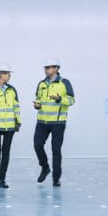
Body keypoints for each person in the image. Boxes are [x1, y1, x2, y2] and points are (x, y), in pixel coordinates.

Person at [33, 58, 75, 187]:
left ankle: (56, 178)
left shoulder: (64, 83)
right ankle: (45, 167)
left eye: (49, 67)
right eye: (45, 67)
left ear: (56, 68)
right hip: (42, 122)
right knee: (37, 145)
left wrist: (59, 99)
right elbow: (38, 99)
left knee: (56, 150)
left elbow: (71, 100)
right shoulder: (41, 84)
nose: (46, 70)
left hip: (58, 123)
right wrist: (37, 105)